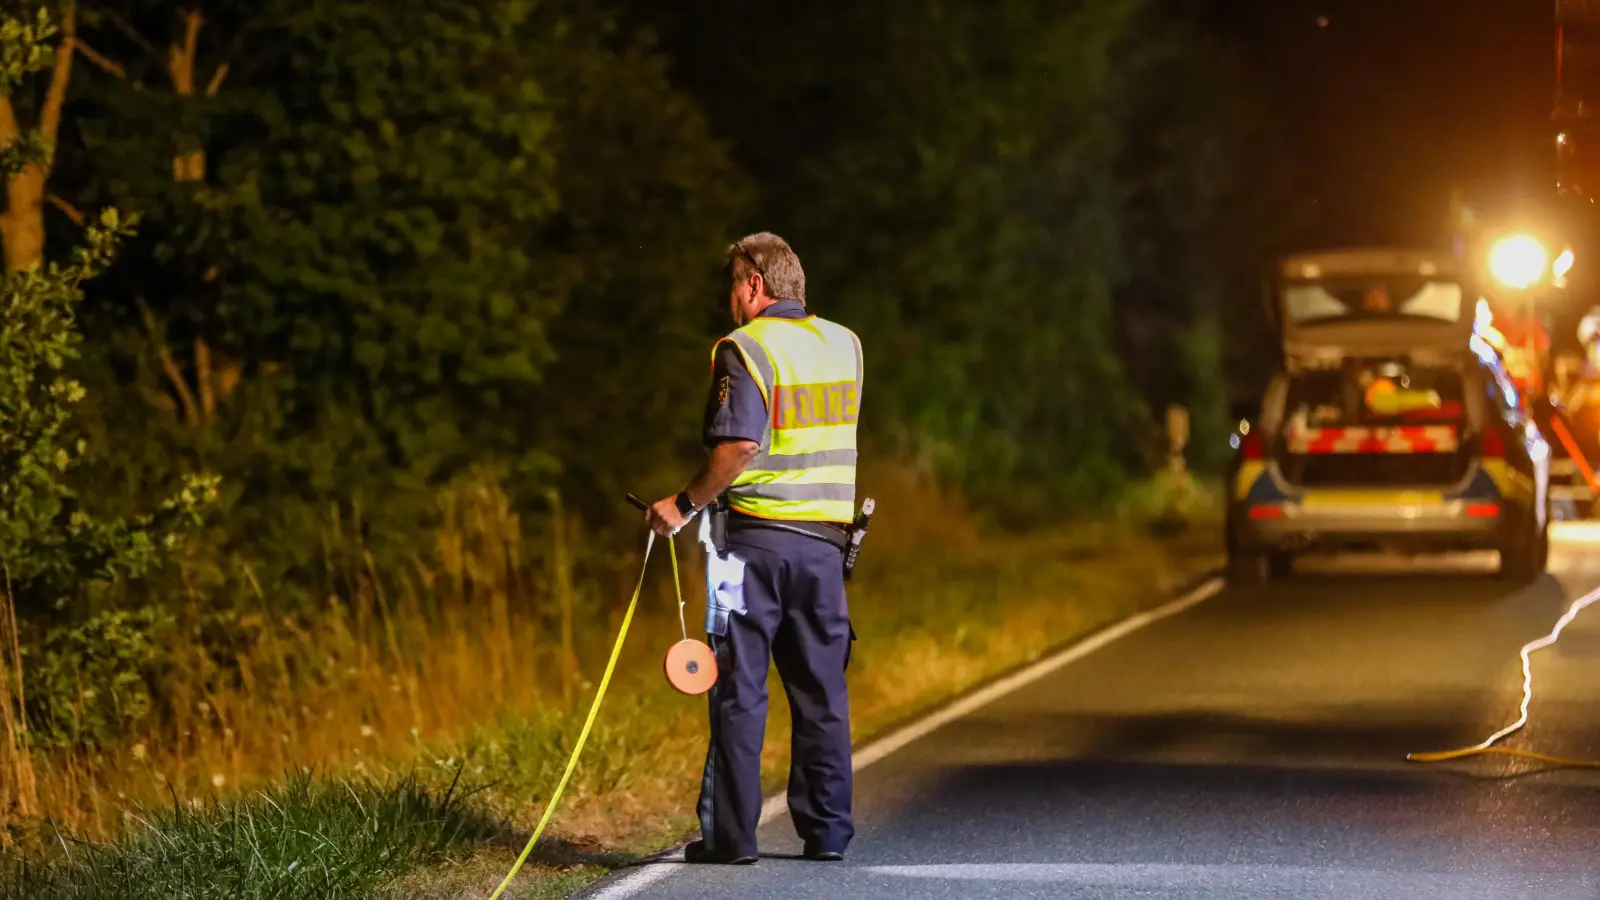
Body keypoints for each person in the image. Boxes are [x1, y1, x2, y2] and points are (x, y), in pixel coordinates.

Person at [645, 232, 864, 865]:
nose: (730, 301)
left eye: (733, 288)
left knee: (739, 691)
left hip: (754, 549)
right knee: (822, 691)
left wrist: (683, 505)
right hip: (825, 547)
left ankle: (732, 840)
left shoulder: (745, 348)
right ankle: (826, 834)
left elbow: (739, 446)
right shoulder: (846, 345)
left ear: (755, 285)